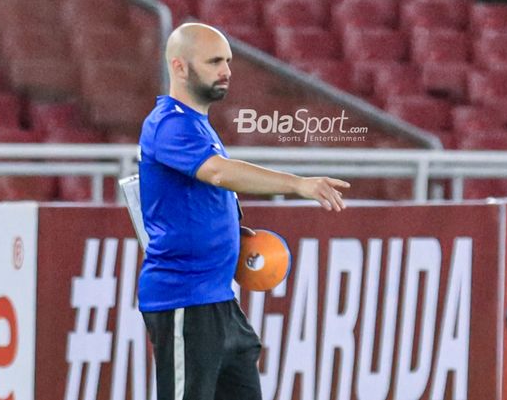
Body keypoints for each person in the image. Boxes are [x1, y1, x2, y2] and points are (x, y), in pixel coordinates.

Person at [138, 23, 350, 400]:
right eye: (214, 61)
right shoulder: (169, 124)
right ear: (180, 67)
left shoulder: (197, 125)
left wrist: (235, 233)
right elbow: (218, 173)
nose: (227, 71)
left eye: (228, 61)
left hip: (218, 299)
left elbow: (202, 194)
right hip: (185, 299)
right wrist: (297, 184)